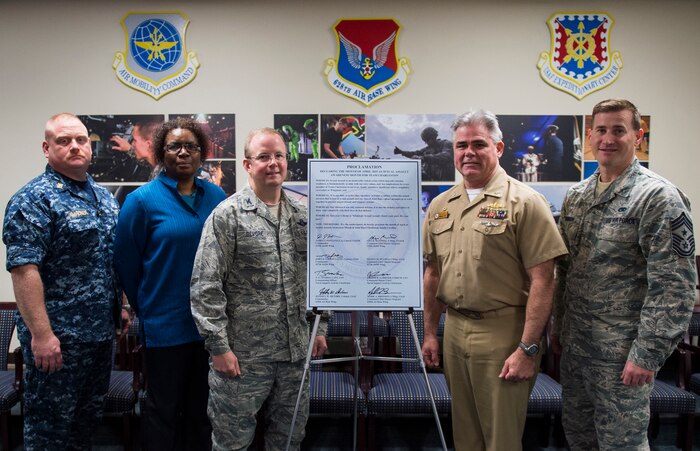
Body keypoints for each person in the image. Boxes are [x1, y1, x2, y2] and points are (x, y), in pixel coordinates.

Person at [551, 98, 696, 450]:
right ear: (590, 136)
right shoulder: (577, 196)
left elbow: (674, 286)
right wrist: (557, 328)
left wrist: (647, 355)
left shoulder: (658, 197)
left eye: (619, 130)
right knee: (580, 438)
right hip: (577, 349)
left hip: (623, 354)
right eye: (601, 130)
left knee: (622, 444)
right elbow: (565, 271)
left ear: (638, 135)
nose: (608, 139)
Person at [421, 110, 567, 451]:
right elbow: (433, 273)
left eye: (478, 144)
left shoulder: (526, 202)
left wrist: (528, 348)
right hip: (455, 331)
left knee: (501, 438)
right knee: (466, 434)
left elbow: (545, 280)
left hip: (504, 333)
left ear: (498, 147)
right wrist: (430, 332)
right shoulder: (441, 206)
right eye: (461, 145)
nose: (468, 152)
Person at [190, 127, 328, 450]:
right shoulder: (227, 216)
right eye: (263, 157)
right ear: (247, 165)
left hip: (295, 355)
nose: (273, 163)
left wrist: (321, 327)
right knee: (232, 444)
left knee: (288, 440)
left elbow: (320, 274)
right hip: (243, 359)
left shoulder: (302, 215)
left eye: (279, 155)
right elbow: (205, 285)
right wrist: (218, 347)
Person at [2, 113, 129, 450]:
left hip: (100, 337)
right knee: (48, 434)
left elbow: (110, 260)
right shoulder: (32, 199)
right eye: (64, 141)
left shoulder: (103, 199)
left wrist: (123, 308)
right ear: (47, 148)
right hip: (57, 343)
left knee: (85, 429)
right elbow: (23, 270)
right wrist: (42, 335)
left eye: (81, 140)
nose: (75, 146)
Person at [114, 117, 226, 451]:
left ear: (201, 153)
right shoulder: (142, 200)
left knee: (201, 412)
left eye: (190, 146)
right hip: (164, 325)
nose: (182, 153)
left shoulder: (216, 195)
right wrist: (146, 306)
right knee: (162, 410)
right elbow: (127, 262)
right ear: (162, 153)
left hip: (209, 329)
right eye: (173, 146)